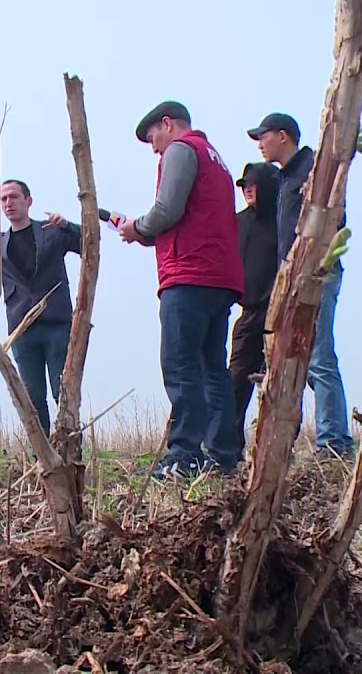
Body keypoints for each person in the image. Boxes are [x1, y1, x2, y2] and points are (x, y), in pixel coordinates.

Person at [118, 101, 245, 479]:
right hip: (219, 276)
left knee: (180, 364)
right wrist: (144, 235)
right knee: (212, 367)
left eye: (153, 138)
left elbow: (167, 209)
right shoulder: (214, 159)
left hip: (188, 275)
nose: (155, 148)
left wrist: (137, 227)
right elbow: (191, 217)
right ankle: (222, 453)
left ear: (168, 124)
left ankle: (183, 454)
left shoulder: (181, 149)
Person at [247, 112, 352, 457]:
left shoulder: (312, 168)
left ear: (283, 135)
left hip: (317, 275)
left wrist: (314, 266)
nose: (260, 144)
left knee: (320, 358)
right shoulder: (284, 178)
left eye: (263, 137)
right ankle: (287, 445)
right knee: (292, 361)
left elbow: (334, 216)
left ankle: (333, 443)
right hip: (291, 281)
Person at [0, 179, 82, 443]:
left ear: (28, 201)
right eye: (3, 200)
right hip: (22, 329)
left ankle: (72, 452)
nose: (8, 203)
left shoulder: (52, 232)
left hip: (57, 323)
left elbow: (90, 242)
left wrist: (68, 226)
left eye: (13, 197)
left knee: (64, 392)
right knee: (32, 397)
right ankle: (42, 456)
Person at [228, 162, 280, 447]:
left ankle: (275, 446)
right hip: (248, 314)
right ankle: (230, 445)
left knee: (278, 384)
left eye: (253, 184)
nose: (247, 189)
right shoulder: (236, 221)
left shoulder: (282, 221)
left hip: (278, 316)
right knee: (236, 380)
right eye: (244, 185)